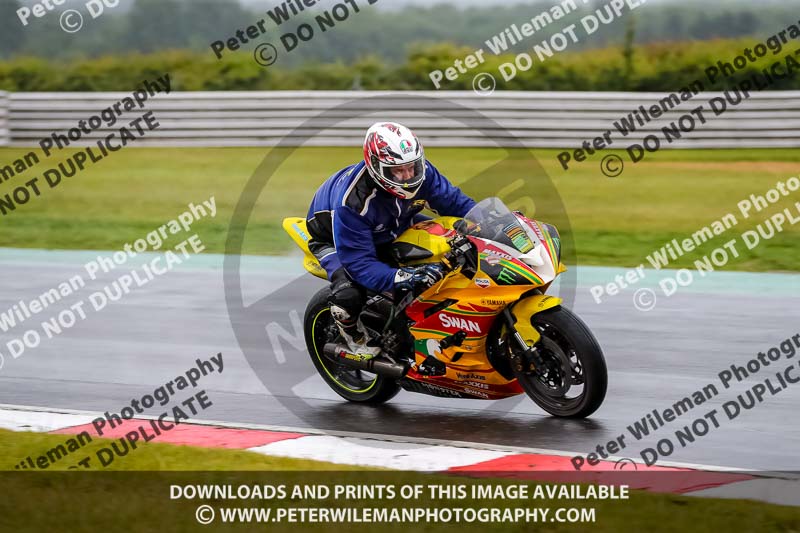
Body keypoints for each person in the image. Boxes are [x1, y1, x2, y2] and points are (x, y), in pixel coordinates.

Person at [306, 122, 476, 358]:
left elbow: (456, 203)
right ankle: (353, 336)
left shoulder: (424, 172)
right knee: (348, 295)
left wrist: (495, 221)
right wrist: (405, 276)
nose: (408, 176)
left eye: (412, 167)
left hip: (395, 222)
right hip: (333, 238)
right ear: (376, 167)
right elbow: (360, 265)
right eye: (398, 171)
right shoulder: (354, 202)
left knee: (454, 241)